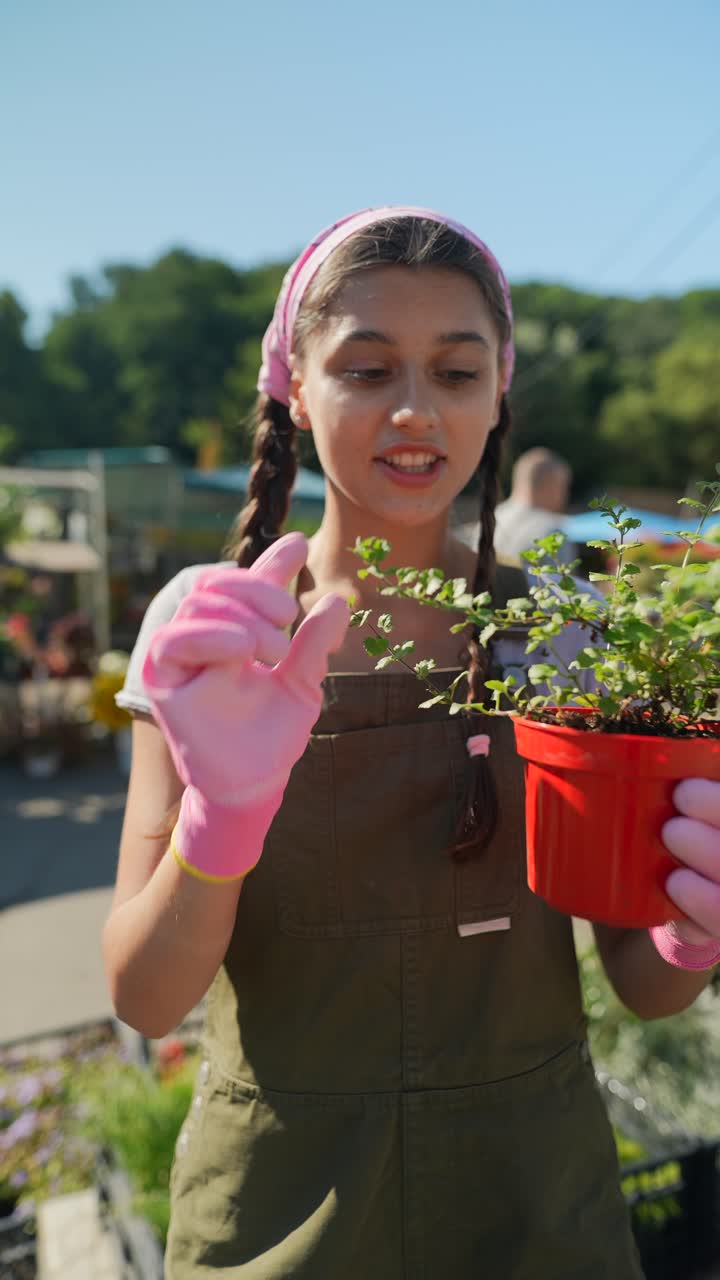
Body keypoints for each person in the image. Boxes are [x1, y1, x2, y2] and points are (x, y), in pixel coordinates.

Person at [105, 207, 720, 1279]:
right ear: (296, 386)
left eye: (455, 371)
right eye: (369, 366)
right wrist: (218, 824)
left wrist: (691, 928)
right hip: (283, 1210)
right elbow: (146, 994)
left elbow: (636, 977)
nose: (415, 409)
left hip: (535, 1202)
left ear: (498, 395)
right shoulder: (210, 639)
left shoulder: (568, 637)